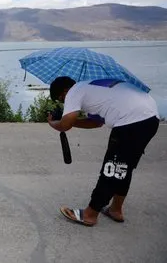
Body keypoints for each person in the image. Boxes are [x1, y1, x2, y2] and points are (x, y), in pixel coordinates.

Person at [47, 76, 160, 227]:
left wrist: (53, 123)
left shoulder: (74, 91)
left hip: (130, 121)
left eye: (62, 99)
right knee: (124, 166)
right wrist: (68, 122)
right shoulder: (92, 87)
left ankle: (90, 214)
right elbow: (95, 123)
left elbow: (65, 125)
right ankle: (115, 209)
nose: (64, 102)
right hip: (151, 119)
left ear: (65, 91)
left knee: (111, 169)